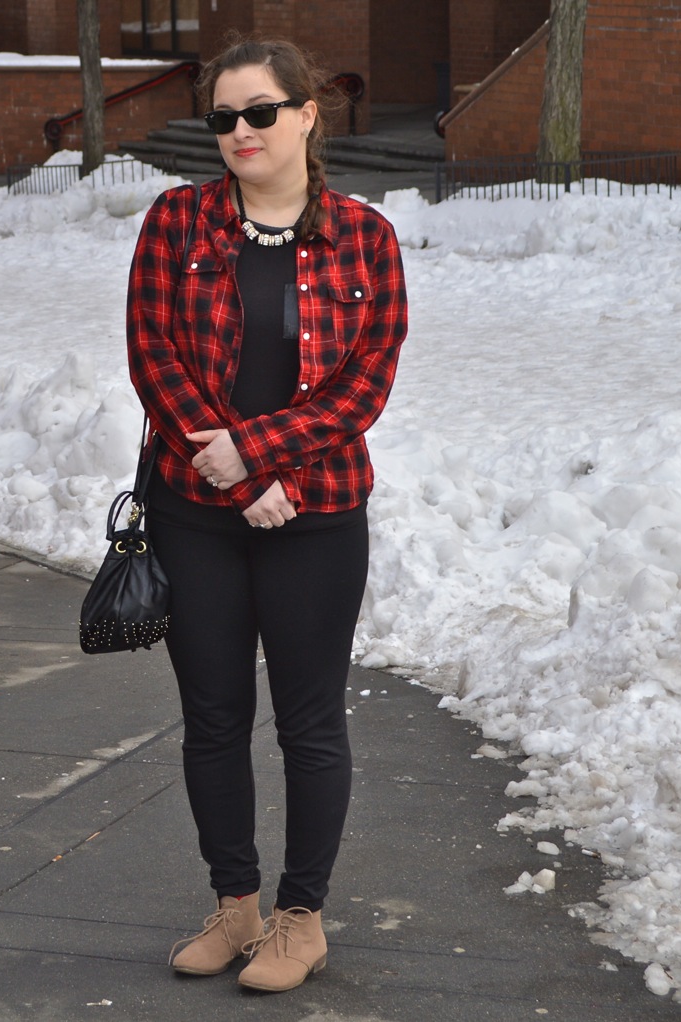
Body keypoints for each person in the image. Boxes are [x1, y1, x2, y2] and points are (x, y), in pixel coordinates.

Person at [125, 36, 408, 993]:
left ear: (306, 116)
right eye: (223, 118)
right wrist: (241, 478)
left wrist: (264, 450)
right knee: (211, 718)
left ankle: (300, 919)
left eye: (259, 113)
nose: (239, 133)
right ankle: (235, 904)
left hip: (320, 513)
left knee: (310, 724)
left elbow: (366, 384)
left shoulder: (366, 238)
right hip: (196, 513)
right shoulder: (175, 222)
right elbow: (154, 359)